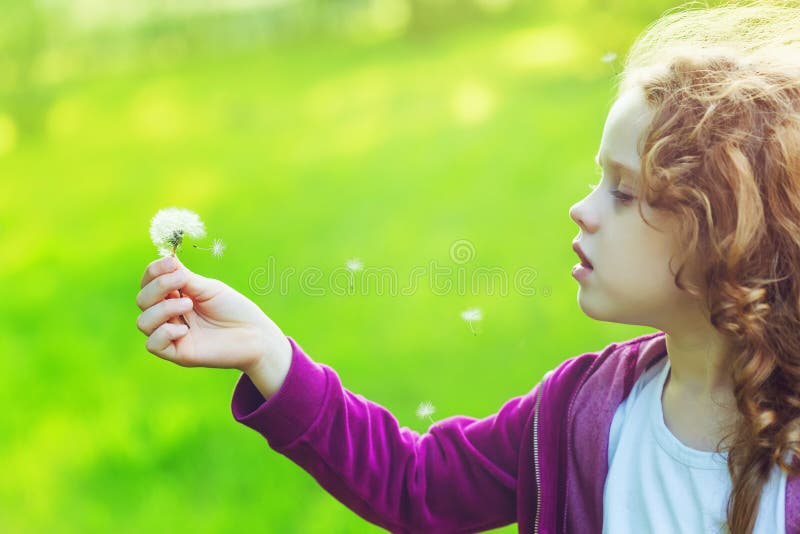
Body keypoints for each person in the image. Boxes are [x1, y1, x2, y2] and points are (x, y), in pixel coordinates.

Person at [134, 1, 800, 532]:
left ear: (727, 235)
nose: (581, 210)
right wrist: (268, 352)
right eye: (597, 181)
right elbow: (415, 485)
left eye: (623, 193)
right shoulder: (578, 411)